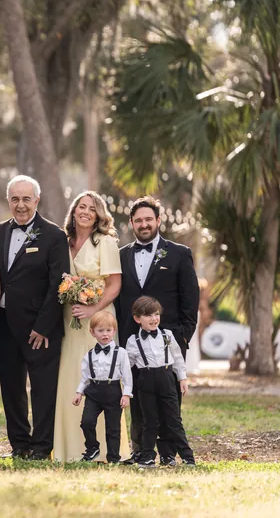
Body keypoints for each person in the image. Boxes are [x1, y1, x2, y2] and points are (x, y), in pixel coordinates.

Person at [115, 196, 199, 465]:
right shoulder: (121, 255)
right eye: (138, 220)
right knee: (137, 397)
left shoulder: (179, 253)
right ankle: (141, 451)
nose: (143, 224)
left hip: (168, 340)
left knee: (169, 400)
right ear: (131, 223)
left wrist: (183, 335)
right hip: (133, 341)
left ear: (158, 221)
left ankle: (168, 453)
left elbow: (190, 299)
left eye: (148, 219)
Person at [0, 175, 69, 460]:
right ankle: (19, 444)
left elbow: (58, 284)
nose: (20, 205)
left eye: (26, 199)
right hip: (5, 325)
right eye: (15, 199)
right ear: (8, 201)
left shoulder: (53, 235)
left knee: (43, 389)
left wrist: (43, 326)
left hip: (40, 328)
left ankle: (41, 446)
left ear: (37, 200)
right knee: (12, 389)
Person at [53, 191, 128, 462]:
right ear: (73, 211)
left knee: (100, 379)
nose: (85, 211)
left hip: (97, 320)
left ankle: (104, 450)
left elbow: (115, 284)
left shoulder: (105, 242)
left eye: (92, 208)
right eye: (81, 207)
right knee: (70, 378)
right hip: (69, 319)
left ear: (99, 215)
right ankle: (68, 448)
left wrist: (91, 309)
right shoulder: (65, 241)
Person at [125, 296, 195, 468]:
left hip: (167, 379)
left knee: (173, 420)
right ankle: (148, 456)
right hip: (145, 381)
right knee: (149, 421)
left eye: (156, 314)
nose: (154, 318)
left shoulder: (167, 335)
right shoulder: (133, 341)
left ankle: (187, 456)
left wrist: (182, 378)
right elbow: (126, 366)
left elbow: (177, 358)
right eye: (148, 315)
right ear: (137, 319)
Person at [72, 311, 133, 463]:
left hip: (113, 391)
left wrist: (126, 394)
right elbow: (85, 377)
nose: (105, 334)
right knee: (87, 422)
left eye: (108, 330)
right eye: (100, 331)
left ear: (114, 331)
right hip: (93, 392)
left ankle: (113, 457)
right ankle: (92, 448)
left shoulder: (121, 353)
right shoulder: (89, 355)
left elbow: (127, 376)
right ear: (92, 332)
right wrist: (79, 392)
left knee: (113, 427)